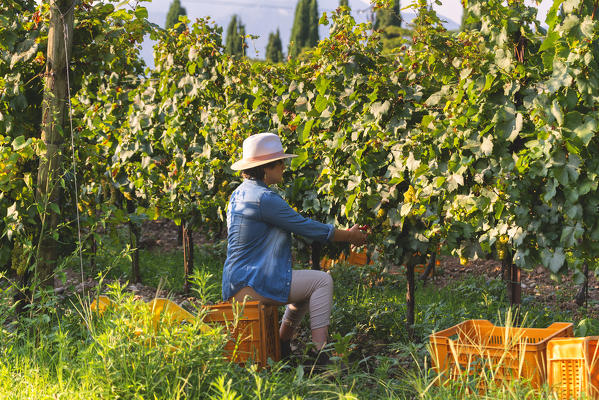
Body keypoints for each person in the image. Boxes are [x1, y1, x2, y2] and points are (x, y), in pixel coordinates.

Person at [222, 132, 368, 364]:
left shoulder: (238, 193)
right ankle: (320, 354)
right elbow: (307, 227)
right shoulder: (264, 199)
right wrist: (350, 236)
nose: (284, 167)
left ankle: (282, 344)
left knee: (302, 288)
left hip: (237, 280)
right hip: (251, 282)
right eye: (280, 162)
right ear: (266, 167)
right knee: (321, 281)